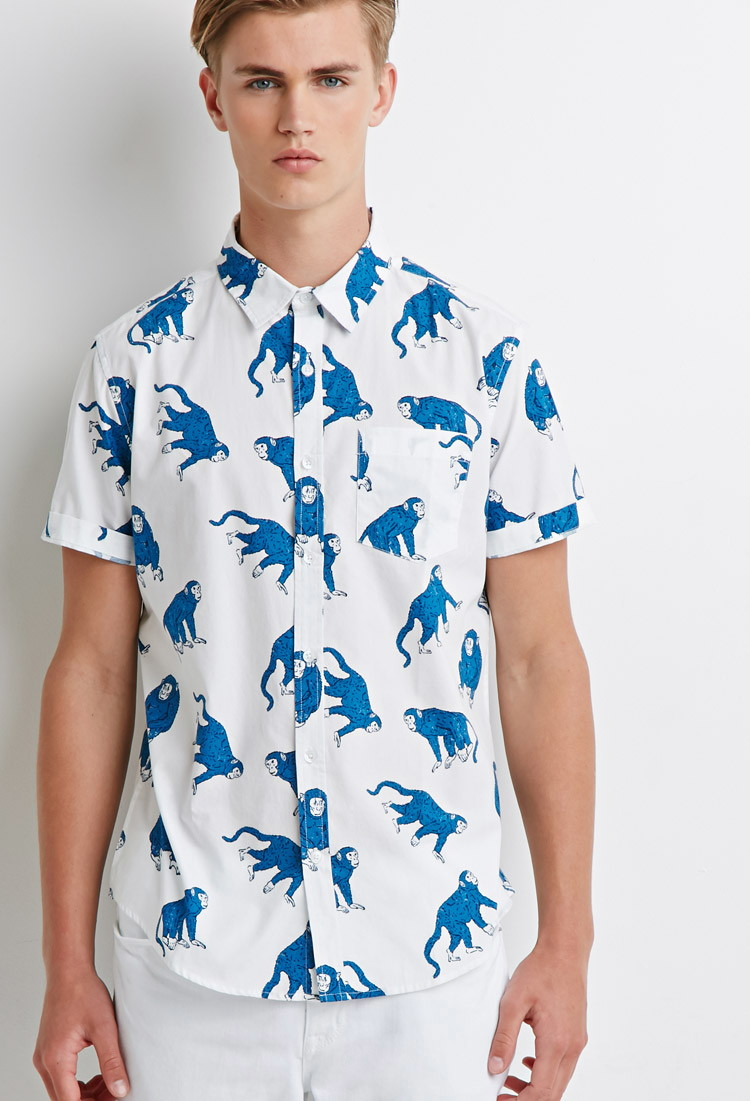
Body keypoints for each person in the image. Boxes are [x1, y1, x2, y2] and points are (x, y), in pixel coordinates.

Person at [32, 2, 597, 1099]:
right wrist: (64, 965)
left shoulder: (487, 364)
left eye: (331, 79)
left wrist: (567, 944)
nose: (298, 116)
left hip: (426, 970)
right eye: (263, 81)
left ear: (382, 92)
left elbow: (540, 661)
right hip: (191, 971)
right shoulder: (132, 368)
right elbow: (90, 670)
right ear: (214, 99)